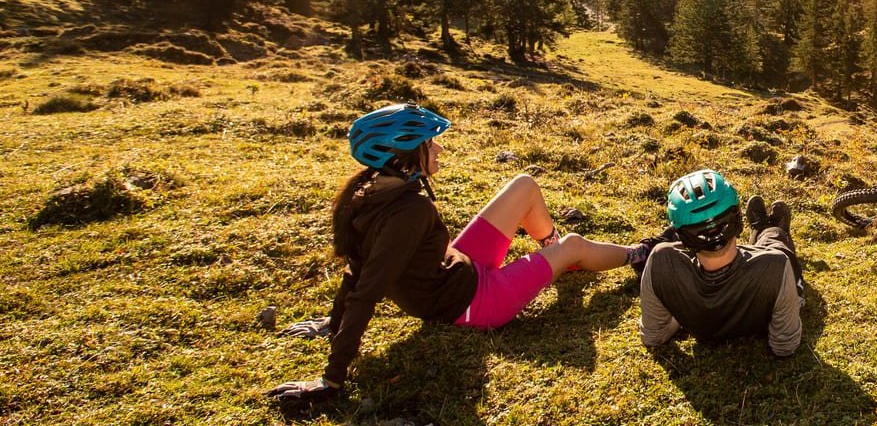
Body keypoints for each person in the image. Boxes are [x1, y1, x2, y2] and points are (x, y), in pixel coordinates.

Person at [268, 103, 630, 408]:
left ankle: (553, 254)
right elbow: (367, 286)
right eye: (429, 143)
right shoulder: (410, 211)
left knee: (524, 185)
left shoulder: (364, 194)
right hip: (474, 303)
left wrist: (333, 323)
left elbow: (355, 268)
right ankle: (639, 254)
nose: (438, 150)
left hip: (460, 267)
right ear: (404, 156)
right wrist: (331, 381)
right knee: (576, 244)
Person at [636, 169, 805, 357]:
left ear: (682, 236)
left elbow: (653, 336)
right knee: (775, 243)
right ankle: (768, 229)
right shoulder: (776, 265)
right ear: (738, 220)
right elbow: (785, 345)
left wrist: (684, 311)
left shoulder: (662, 260)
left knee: (768, 251)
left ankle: (761, 230)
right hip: (768, 270)